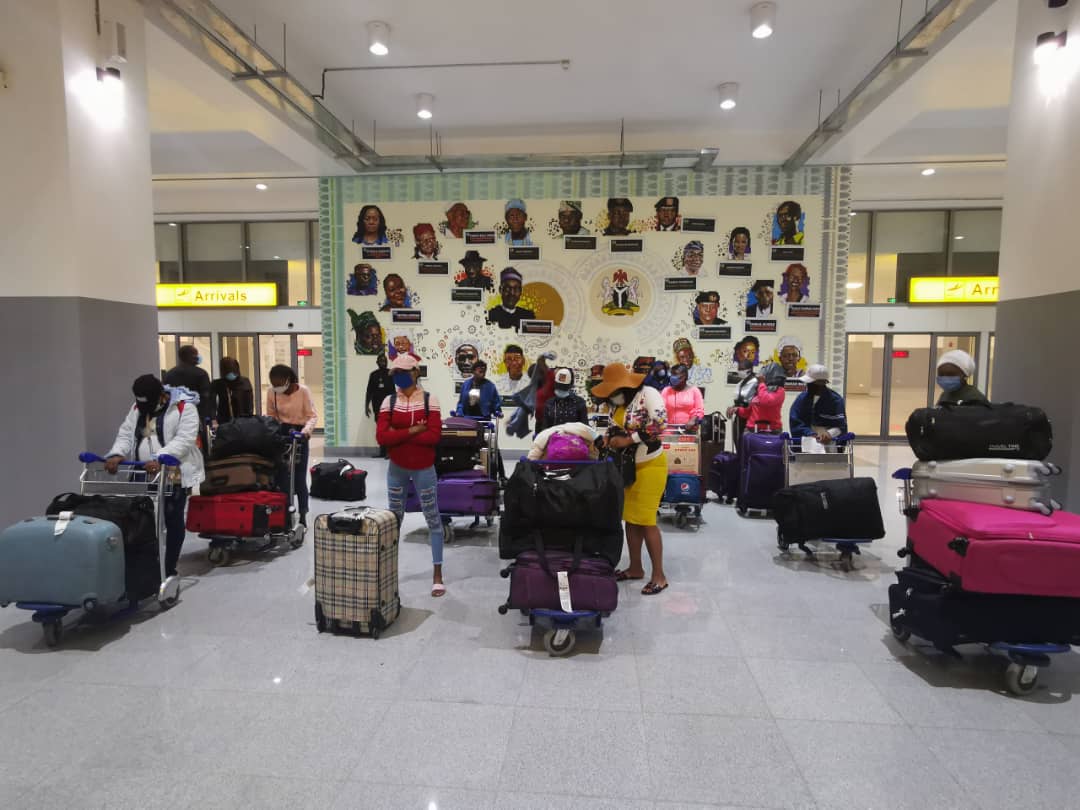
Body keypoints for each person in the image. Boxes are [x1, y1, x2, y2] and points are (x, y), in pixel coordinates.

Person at [105, 375, 204, 578]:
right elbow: (126, 434)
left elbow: (184, 440)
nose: (144, 408)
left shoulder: (184, 408)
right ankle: (145, 567)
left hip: (173, 473)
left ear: (161, 396)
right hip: (142, 472)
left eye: (148, 404)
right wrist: (117, 453)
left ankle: (169, 567)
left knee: (172, 519)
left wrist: (159, 458)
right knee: (141, 520)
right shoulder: (137, 408)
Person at [591, 363, 669, 596]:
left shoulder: (649, 394)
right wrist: (606, 439)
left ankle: (659, 576)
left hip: (651, 466)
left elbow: (660, 423)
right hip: (628, 468)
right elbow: (614, 427)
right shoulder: (619, 404)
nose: (611, 397)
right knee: (631, 520)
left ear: (625, 387)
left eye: (613, 392)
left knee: (647, 521)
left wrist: (629, 440)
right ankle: (635, 568)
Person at [376, 354, 447, 597]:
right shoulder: (388, 401)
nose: (399, 376)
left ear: (415, 372)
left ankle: (437, 575)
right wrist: (416, 428)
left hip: (424, 468)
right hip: (396, 469)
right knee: (394, 521)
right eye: (395, 373)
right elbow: (382, 438)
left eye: (403, 372)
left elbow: (434, 436)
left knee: (433, 518)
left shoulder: (429, 400)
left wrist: (398, 432)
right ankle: (389, 574)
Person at [264, 364, 317, 527]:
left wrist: (306, 432)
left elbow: (312, 416)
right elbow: (271, 415)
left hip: (300, 434)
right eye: (274, 384)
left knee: (299, 477)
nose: (277, 387)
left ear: (288, 379)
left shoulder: (303, 391)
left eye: (280, 384)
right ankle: (285, 513)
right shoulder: (272, 392)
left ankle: (303, 513)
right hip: (281, 433)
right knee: (282, 477)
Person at [164, 344, 212, 454]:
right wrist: (206, 416)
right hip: (196, 417)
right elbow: (206, 397)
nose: (198, 357)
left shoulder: (169, 374)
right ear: (190, 356)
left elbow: (165, 397)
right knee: (197, 448)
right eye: (196, 355)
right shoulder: (201, 374)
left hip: (174, 416)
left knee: (175, 445)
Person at [789, 364, 848, 447]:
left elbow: (841, 426)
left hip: (829, 444)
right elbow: (795, 420)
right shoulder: (802, 399)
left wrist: (829, 434)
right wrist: (809, 433)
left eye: (811, 383)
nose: (808, 385)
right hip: (807, 441)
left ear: (823, 383)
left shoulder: (835, 401)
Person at [728, 362, 785, 432]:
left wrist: (761, 384)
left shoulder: (779, 391)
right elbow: (749, 411)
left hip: (771, 430)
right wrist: (737, 409)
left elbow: (765, 401)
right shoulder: (759, 389)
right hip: (752, 429)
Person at [209, 357, 254, 428]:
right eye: (228, 371)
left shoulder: (245, 381)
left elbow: (249, 402)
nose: (231, 373)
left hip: (243, 421)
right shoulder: (217, 384)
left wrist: (249, 419)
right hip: (224, 421)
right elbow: (212, 404)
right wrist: (213, 420)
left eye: (233, 371)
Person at [366, 354, 395, 458]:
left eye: (385, 361)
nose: (383, 362)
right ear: (377, 362)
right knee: (380, 430)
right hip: (377, 407)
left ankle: (389, 452)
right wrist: (366, 406)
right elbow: (369, 391)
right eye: (381, 361)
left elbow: (394, 391)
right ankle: (382, 452)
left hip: (389, 407)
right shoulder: (373, 375)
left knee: (389, 429)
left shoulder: (391, 373)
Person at [661, 363, 705, 431]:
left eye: (675, 374)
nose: (672, 377)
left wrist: (693, 420)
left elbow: (699, 410)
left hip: (688, 430)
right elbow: (660, 408)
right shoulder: (666, 390)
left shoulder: (694, 391)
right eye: (672, 374)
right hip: (669, 430)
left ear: (684, 376)